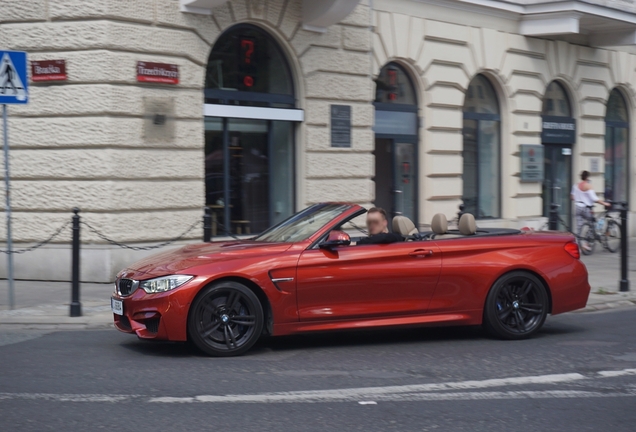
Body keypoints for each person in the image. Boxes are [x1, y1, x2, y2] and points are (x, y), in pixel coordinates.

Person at [570, 170, 610, 249]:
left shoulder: (575, 185)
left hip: (577, 207)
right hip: (586, 208)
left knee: (579, 227)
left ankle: (578, 245)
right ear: (587, 177)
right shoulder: (588, 186)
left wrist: (579, 198)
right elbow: (594, 199)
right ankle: (587, 243)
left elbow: (572, 197)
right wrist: (605, 203)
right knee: (591, 224)